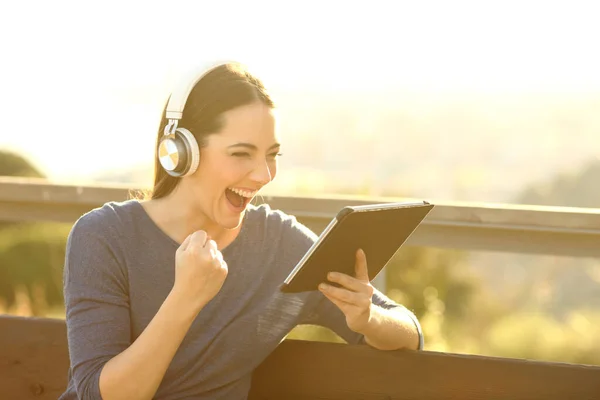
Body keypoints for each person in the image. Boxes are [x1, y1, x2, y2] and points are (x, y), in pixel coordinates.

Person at [59, 61, 424, 400]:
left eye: (272, 155)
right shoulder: (103, 236)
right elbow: (97, 394)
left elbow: (410, 332)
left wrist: (369, 318)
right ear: (181, 153)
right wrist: (186, 298)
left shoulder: (279, 245)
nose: (263, 175)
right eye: (241, 154)